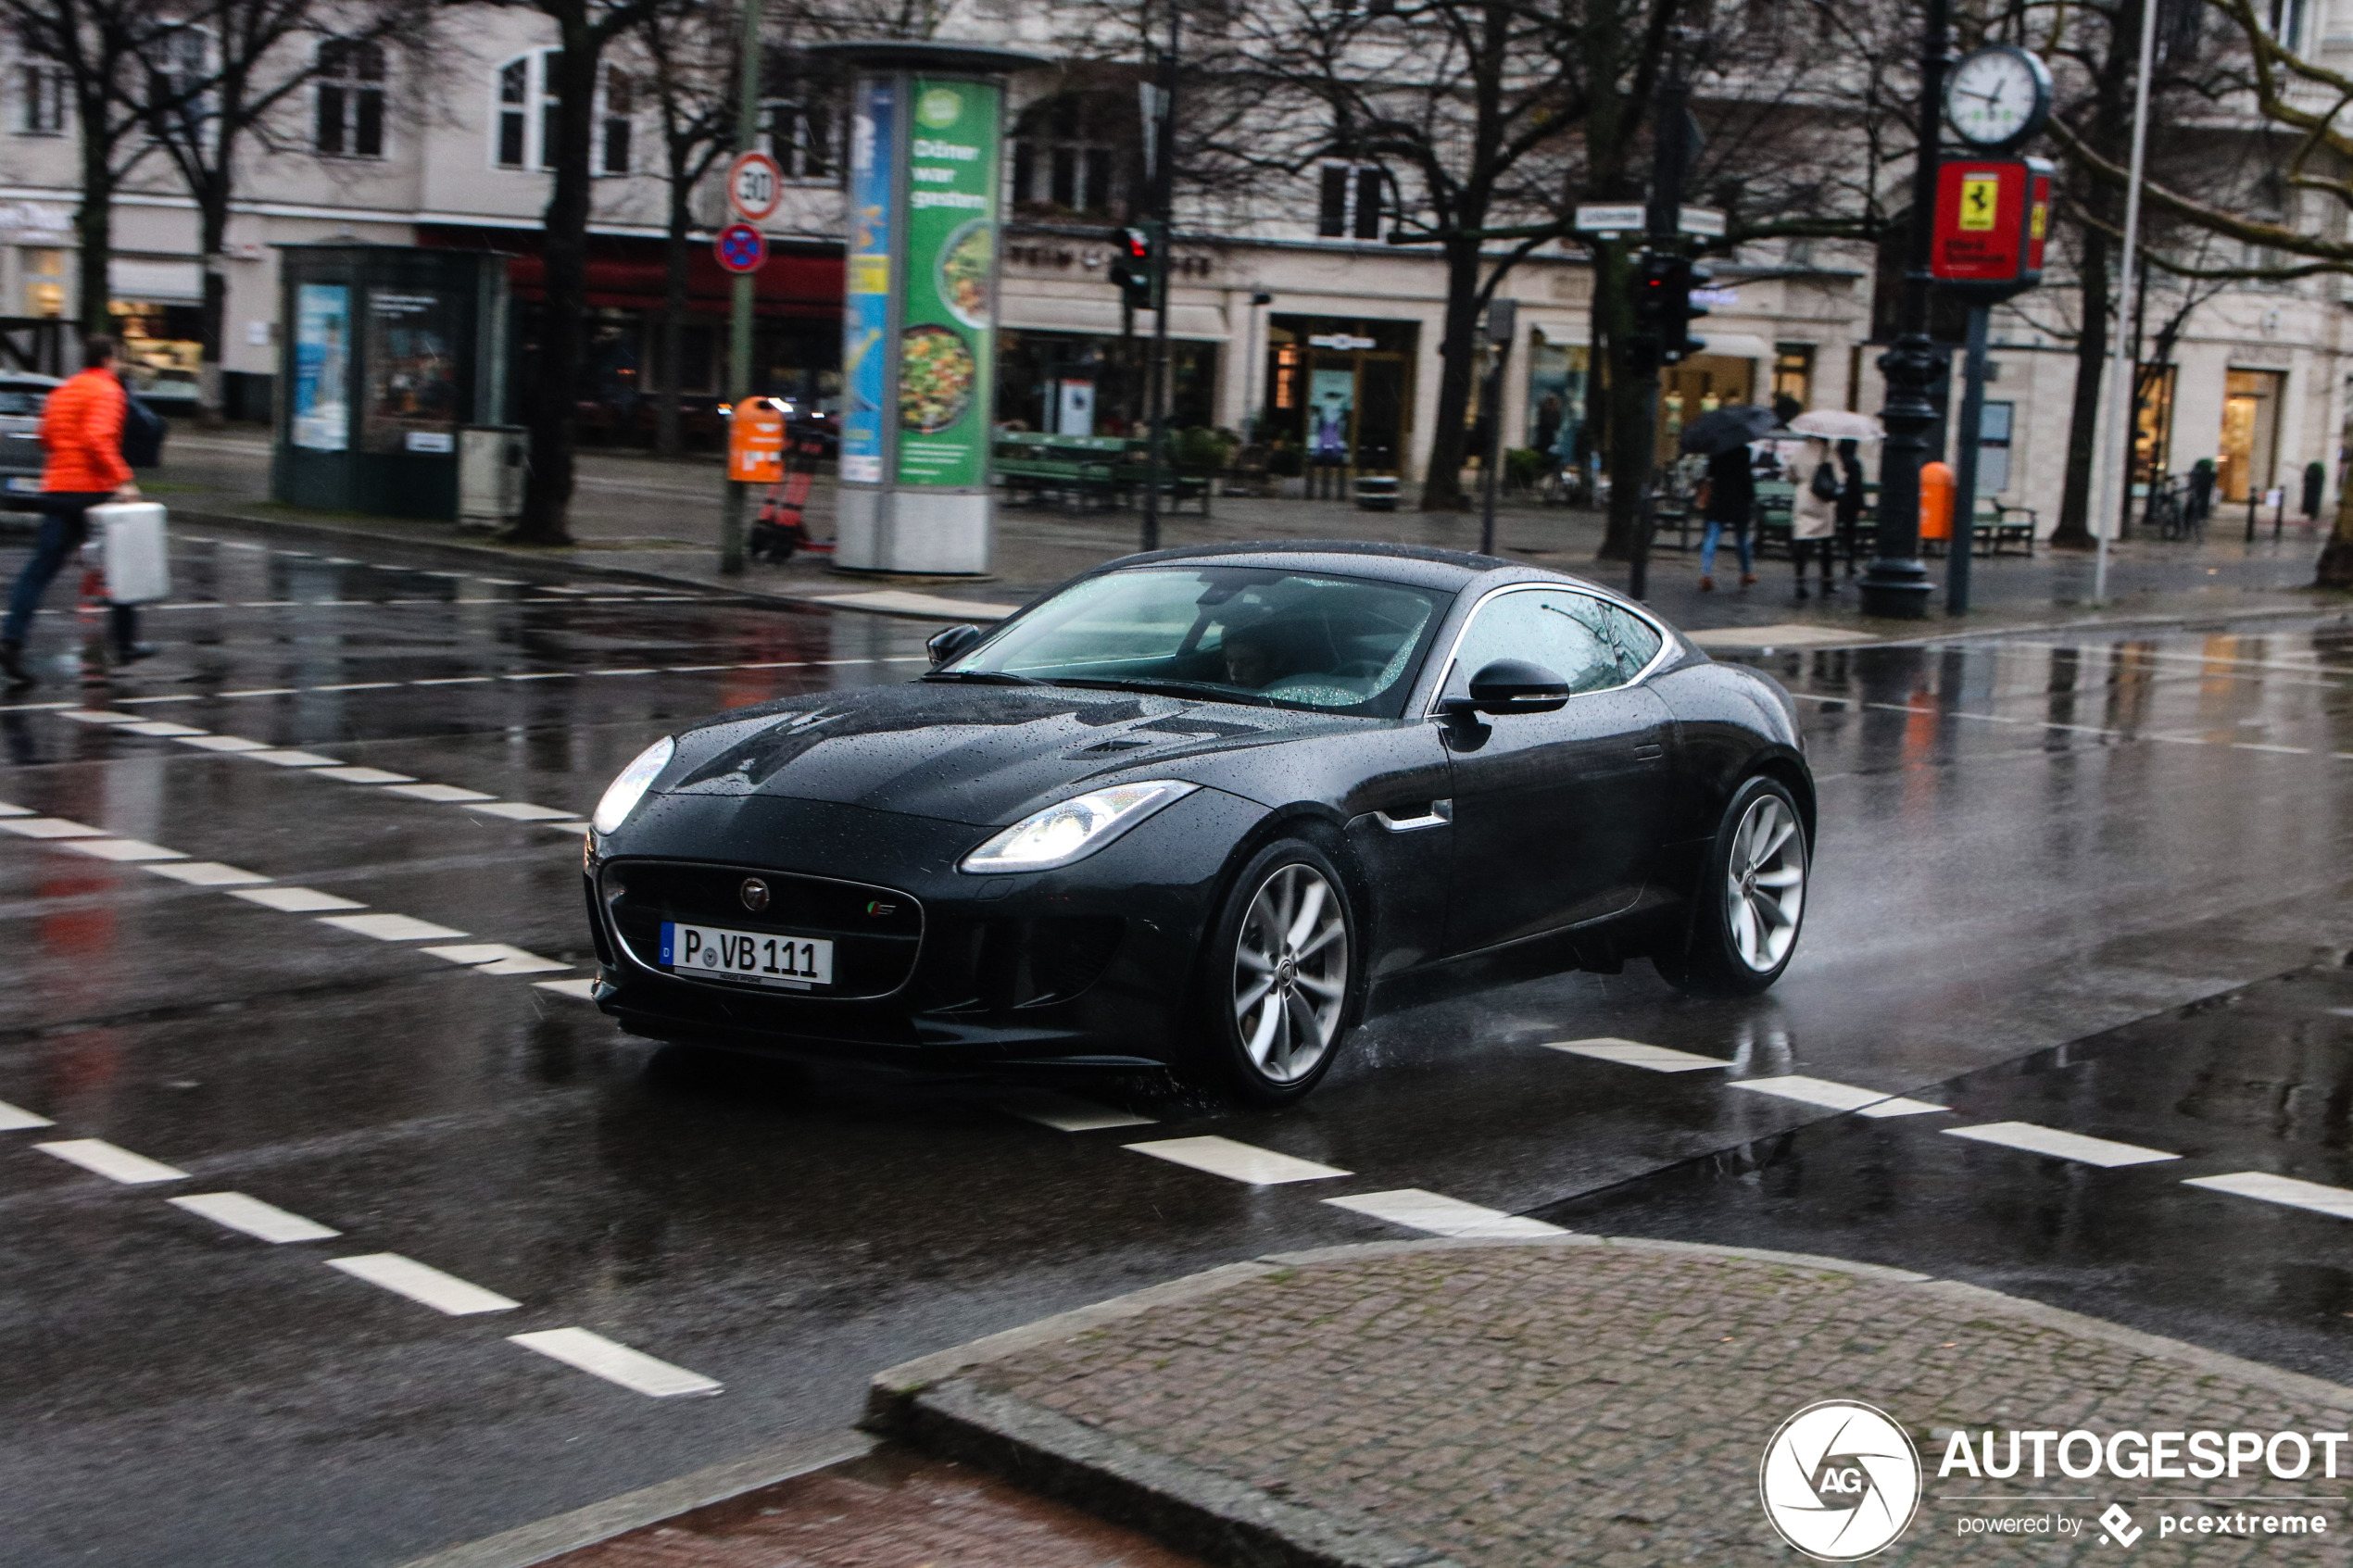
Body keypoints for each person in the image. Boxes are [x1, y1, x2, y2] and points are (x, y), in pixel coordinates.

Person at [2, 335, 147, 691]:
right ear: (109, 359)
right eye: (118, 359)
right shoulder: (108, 390)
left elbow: (45, 436)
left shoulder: (64, 390)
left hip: (57, 490)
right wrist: (122, 480)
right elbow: (98, 437)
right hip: (92, 494)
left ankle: (11, 640)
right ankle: (125, 645)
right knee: (117, 569)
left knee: (40, 569)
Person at [1698, 441, 1757, 592]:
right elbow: (1746, 477)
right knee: (1742, 538)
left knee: (1712, 536)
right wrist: (1751, 497)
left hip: (1718, 499)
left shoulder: (1716, 451)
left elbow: (1710, 474)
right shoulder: (1744, 452)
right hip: (1739, 500)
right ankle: (1746, 573)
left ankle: (1705, 574)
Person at [1790, 434, 1838, 597]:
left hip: (1804, 495)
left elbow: (1791, 474)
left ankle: (1800, 581)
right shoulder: (1829, 452)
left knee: (1802, 540)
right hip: (1823, 499)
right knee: (1826, 541)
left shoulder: (1800, 451)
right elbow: (1839, 476)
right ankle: (1826, 581)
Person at [1834, 438, 1869, 573]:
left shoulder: (1835, 461)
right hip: (1850, 503)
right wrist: (1862, 505)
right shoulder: (1854, 463)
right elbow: (1857, 486)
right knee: (1850, 532)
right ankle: (1850, 562)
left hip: (1834, 501)